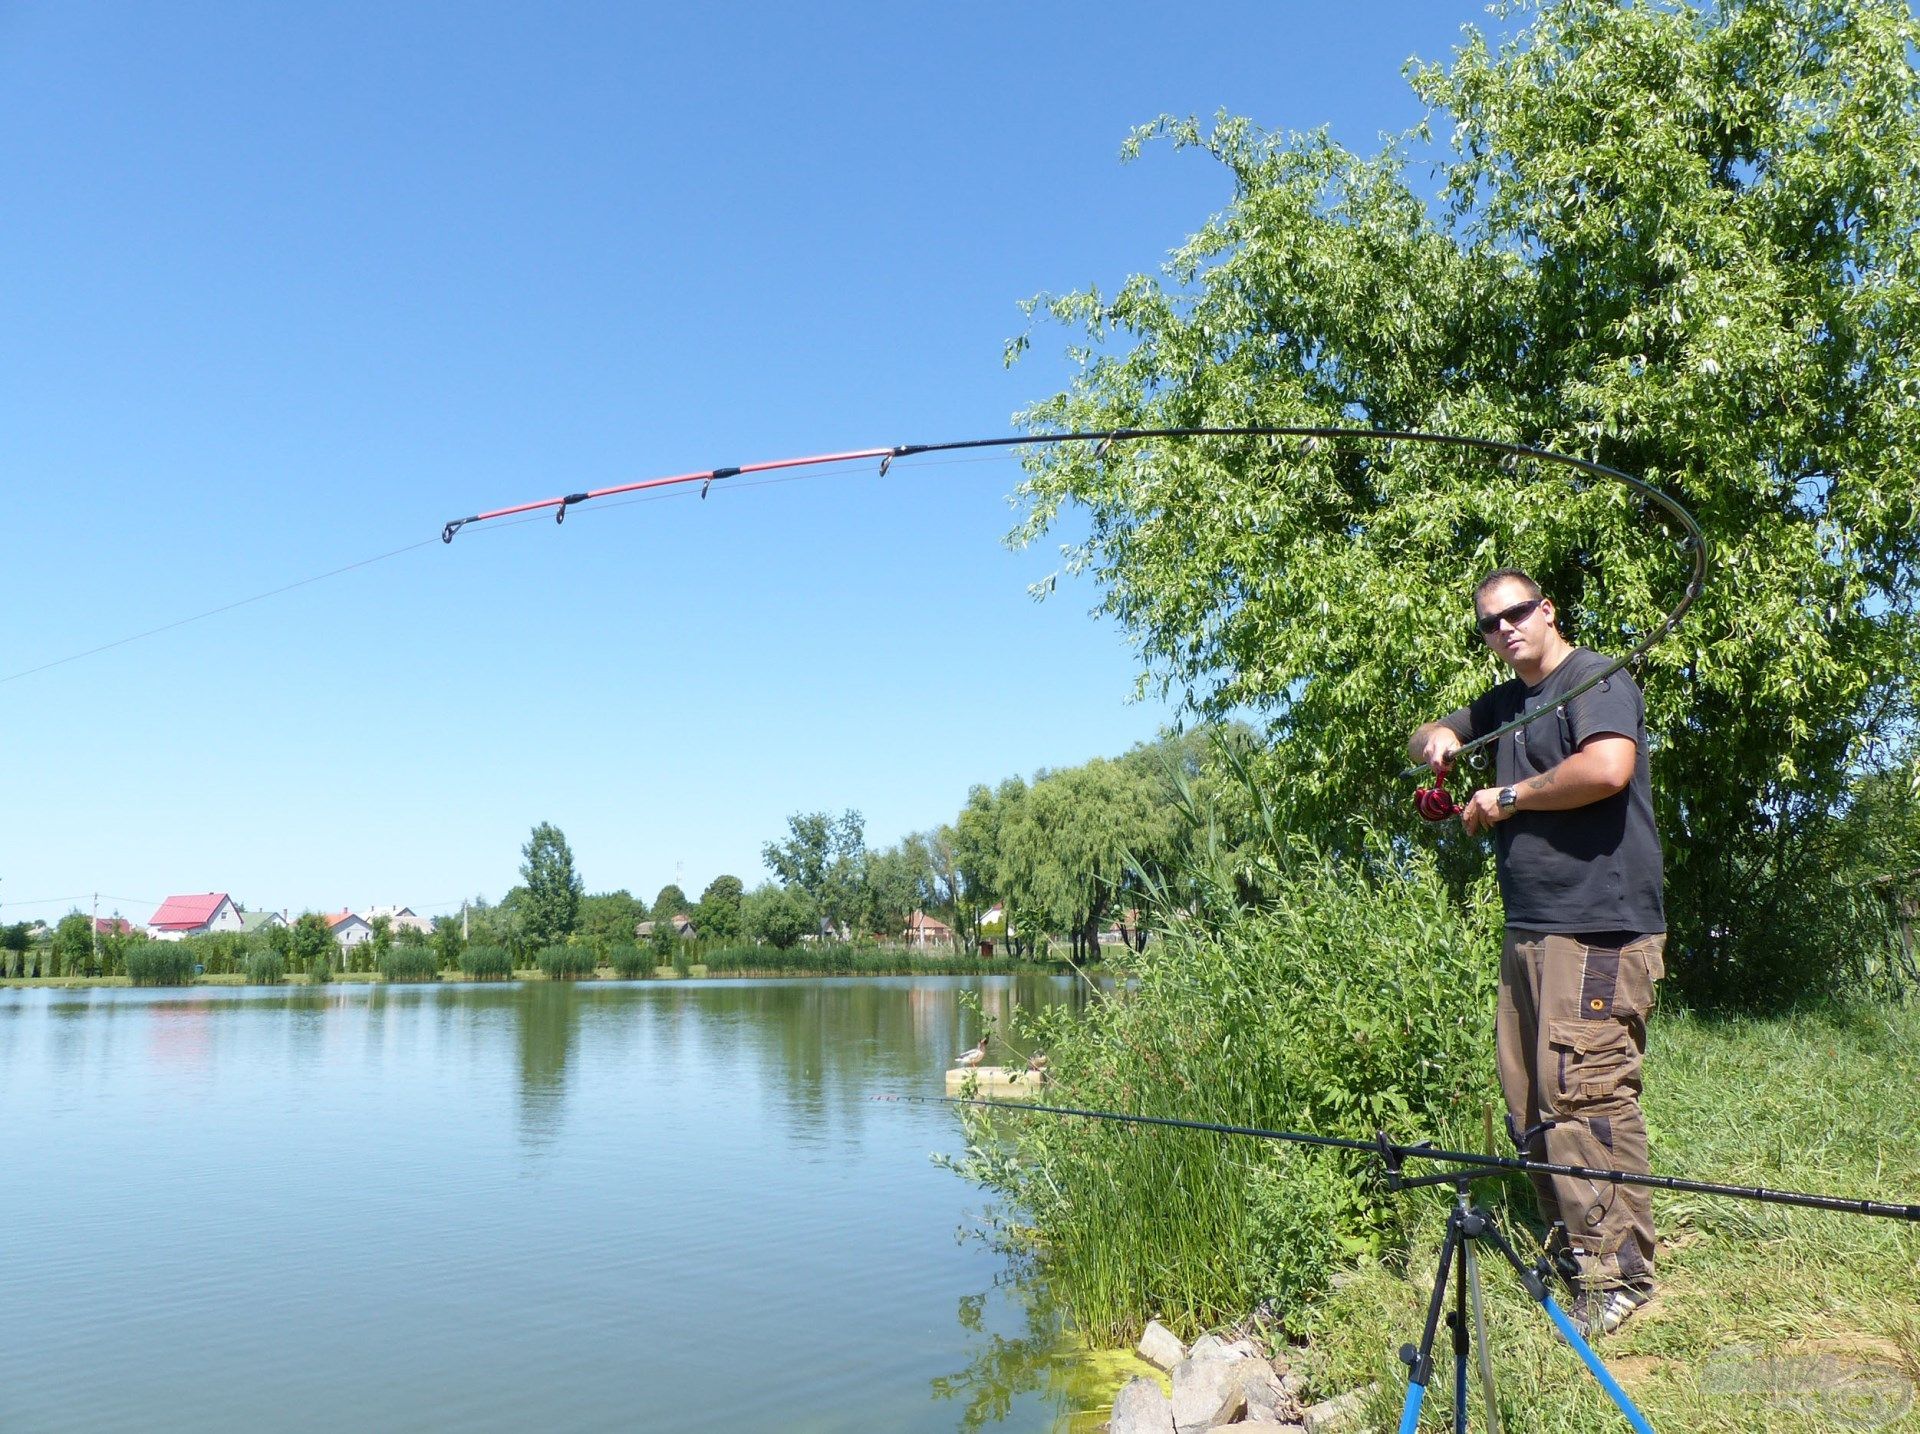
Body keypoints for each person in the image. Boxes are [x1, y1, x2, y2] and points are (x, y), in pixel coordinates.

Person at [1409, 568, 1665, 1336]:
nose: (1506, 629)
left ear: (1547, 610)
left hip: (1597, 926)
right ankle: (1573, 1251)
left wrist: (1507, 797)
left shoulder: (1594, 677)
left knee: (1583, 1093)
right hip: (1530, 926)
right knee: (1530, 1100)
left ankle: (1621, 1276)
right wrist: (1445, 743)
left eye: (1517, 613)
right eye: (1490, 623)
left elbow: (1608, 767)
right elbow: (1424, 733)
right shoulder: (1507, 699)